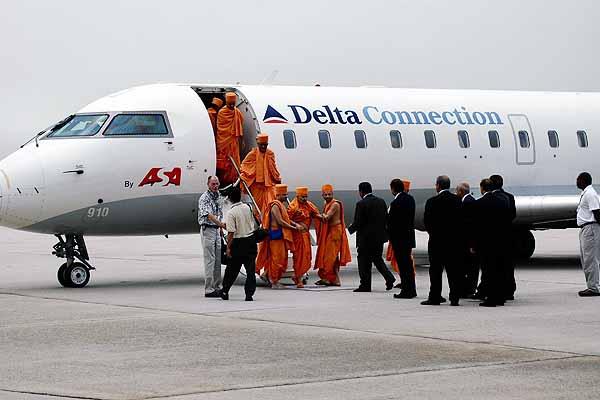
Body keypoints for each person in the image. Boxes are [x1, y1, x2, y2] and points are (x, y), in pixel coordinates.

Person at [348, 182, 396, 292]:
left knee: (364, 263)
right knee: (377, 259)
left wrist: (350, 229)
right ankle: (389, 277)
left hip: (365, 239)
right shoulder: (381, 201)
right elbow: (386, 218)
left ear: (360, 192)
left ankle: (365, 285)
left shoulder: (361, 204)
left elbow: (358, 222)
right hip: (379, 238)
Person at [422, 175, 462, 306]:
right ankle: (454, 298)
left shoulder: (431, 201)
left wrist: (433, 233)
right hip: (453, 242)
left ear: (438, 185)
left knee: (435, 271)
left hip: (436, 242)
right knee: (453, 271)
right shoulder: (457, 200)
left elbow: (426, 223)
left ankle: (435, 297)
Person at [256, 184, 301, 288]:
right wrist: (293, 228)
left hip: (280, 235)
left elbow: (286, 219)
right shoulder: (275, 206)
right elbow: (280, 221)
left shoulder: (281, 205)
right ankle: (274, 281)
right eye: (284, 195)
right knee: (277, 259)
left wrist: (294, 224)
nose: (286, 197)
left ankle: (266, 274)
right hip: (275, 236)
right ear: (279, 195)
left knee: (279, 258)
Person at [221, 186, 257, 301]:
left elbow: (231, 232)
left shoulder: (231, 213)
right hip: (251, 240)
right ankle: (249, 294)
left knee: (232, 269)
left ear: (230, 198)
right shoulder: (248, 207)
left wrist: (228, 248)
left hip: (238, 243)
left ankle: (225, 291)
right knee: (250, 270)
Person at [475, 178, 506, 307]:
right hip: (499, 241)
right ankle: (500, 297)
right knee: (498, 270)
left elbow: (476, 225)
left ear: (482, 189)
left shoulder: (480, 203)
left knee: (488, 271)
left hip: (486, 243)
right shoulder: (502, 201)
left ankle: (491, 298)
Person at [314, 184, 352, 286]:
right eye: (325, 195)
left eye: (329, 194)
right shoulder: (326, 203)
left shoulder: (335, 204)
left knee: (329, 257)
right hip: (330, 230)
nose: (327, 196)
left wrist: (314, 214)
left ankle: (328, 278)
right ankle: (334, 279)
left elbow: (327, 217)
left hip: (335, 232)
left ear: (332, 194)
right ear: (322, 195)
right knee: (332, 257)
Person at [387, 179, 417, 299]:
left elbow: (391, 222)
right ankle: (412, 289)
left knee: (403, 266)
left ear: (393, 189)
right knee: (408, 266)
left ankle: (406, 291)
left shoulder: (396, 203)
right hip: (408, 237)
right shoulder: (410, 199)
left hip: (399, 239)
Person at [197, 176, 226, 297]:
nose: (215, 186)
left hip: (216, 230)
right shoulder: (204, 198)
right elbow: (209, 215)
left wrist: (219, 228)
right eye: (213, 184)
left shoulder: (218, 196)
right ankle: (208, 289)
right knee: (210, 260)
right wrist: (221, 225)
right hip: (207, 229)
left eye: (217, 184)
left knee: (218, 260)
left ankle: (217, 286)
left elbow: (219, 213)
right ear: (208, 184)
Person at [490, 174, 517, 301]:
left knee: (496, 266)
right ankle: (510, 291)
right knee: (508, 265)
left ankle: (498, 291)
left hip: (494, 237)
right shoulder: (509, 197)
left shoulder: (490, 198)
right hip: (507, 236)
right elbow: (513, 215)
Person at [240, 134, 282, 216]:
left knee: (271, 202)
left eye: (265, 145)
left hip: (269, 184)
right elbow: (244, 166)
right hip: (257, 185)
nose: (263, 147)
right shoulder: (253, 154)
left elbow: (273, 168)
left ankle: (269, 221)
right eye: (261, 145)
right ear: (258, 144)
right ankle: (260, 222)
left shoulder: (270, 153)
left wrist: (277, 178)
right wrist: (252, 172)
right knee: (258, 206)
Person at [287, 187, 321, 288]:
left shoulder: (309, 205)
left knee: (307, 257)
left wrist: (323, 217)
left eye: (306, 197)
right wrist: (296, 224)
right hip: (297, 235)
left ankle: (298, 276)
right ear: (297, 196)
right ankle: (298, 279)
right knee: (298, 257)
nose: (304, 199)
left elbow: (315, 214)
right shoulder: (293, 206)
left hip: (305, 235)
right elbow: (287, 219)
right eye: (302, 197)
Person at [576, 172, 600, 297]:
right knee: (586, 259)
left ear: (584, 181)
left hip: (590, 228)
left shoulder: (590, 194)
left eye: (578, 180)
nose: (576, 182)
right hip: (586, 228)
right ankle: (592, 286)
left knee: (591, 259)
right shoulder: (586, 193)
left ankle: (594, 288)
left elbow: (596, 212)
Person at [456, 182, 479, 297]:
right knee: (469, 267)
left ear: (461, 192)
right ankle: (468, 289)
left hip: (468, 242)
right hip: (467, 242)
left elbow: (471, 226)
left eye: (457, 191)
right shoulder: (468, 201)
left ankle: (469, 289)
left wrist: (471, 245)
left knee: (471, 268)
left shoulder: (468, 202)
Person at [216, 92, 244, 185]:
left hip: (234, 142)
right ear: (226, 103)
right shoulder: (222, 112)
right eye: (230, 104)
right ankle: (224, 183)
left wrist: (241, 141)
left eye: (233, 103)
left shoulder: (237, 112)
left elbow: (240, 129)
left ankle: (234, 182)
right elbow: (221, 129)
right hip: (224, 143)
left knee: (235, 163)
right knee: (225, 164)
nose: (232, 105)